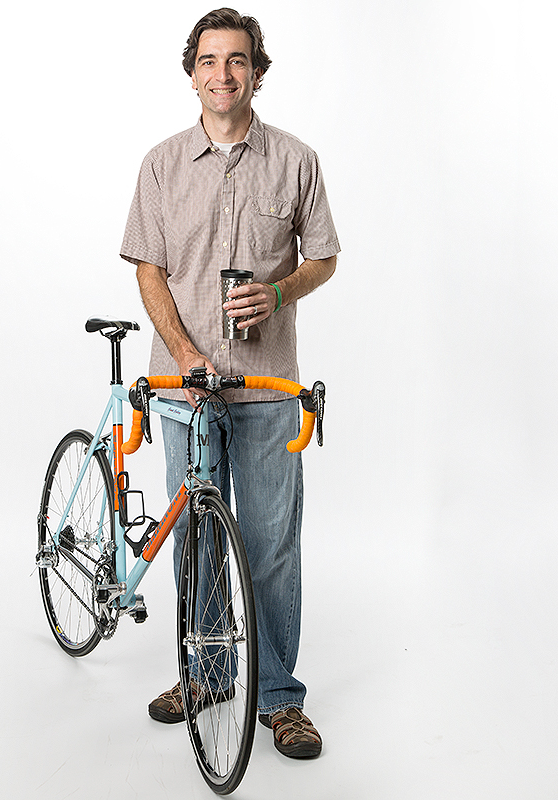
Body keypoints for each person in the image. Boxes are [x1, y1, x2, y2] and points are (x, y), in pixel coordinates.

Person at [120, 7, 340, 759]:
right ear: (192, 74)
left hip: (269, 387)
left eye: (238, 60)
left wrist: (279, 292)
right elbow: (149, 269)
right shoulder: (158, 165)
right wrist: (180, 350)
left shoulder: (298, 161)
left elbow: (325, 256)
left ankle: (278, 696)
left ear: (257, 71)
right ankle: (207, 674)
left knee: (273, 543)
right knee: (195, 539)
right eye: (210, 61)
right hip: (185, 392)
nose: (223, 74)